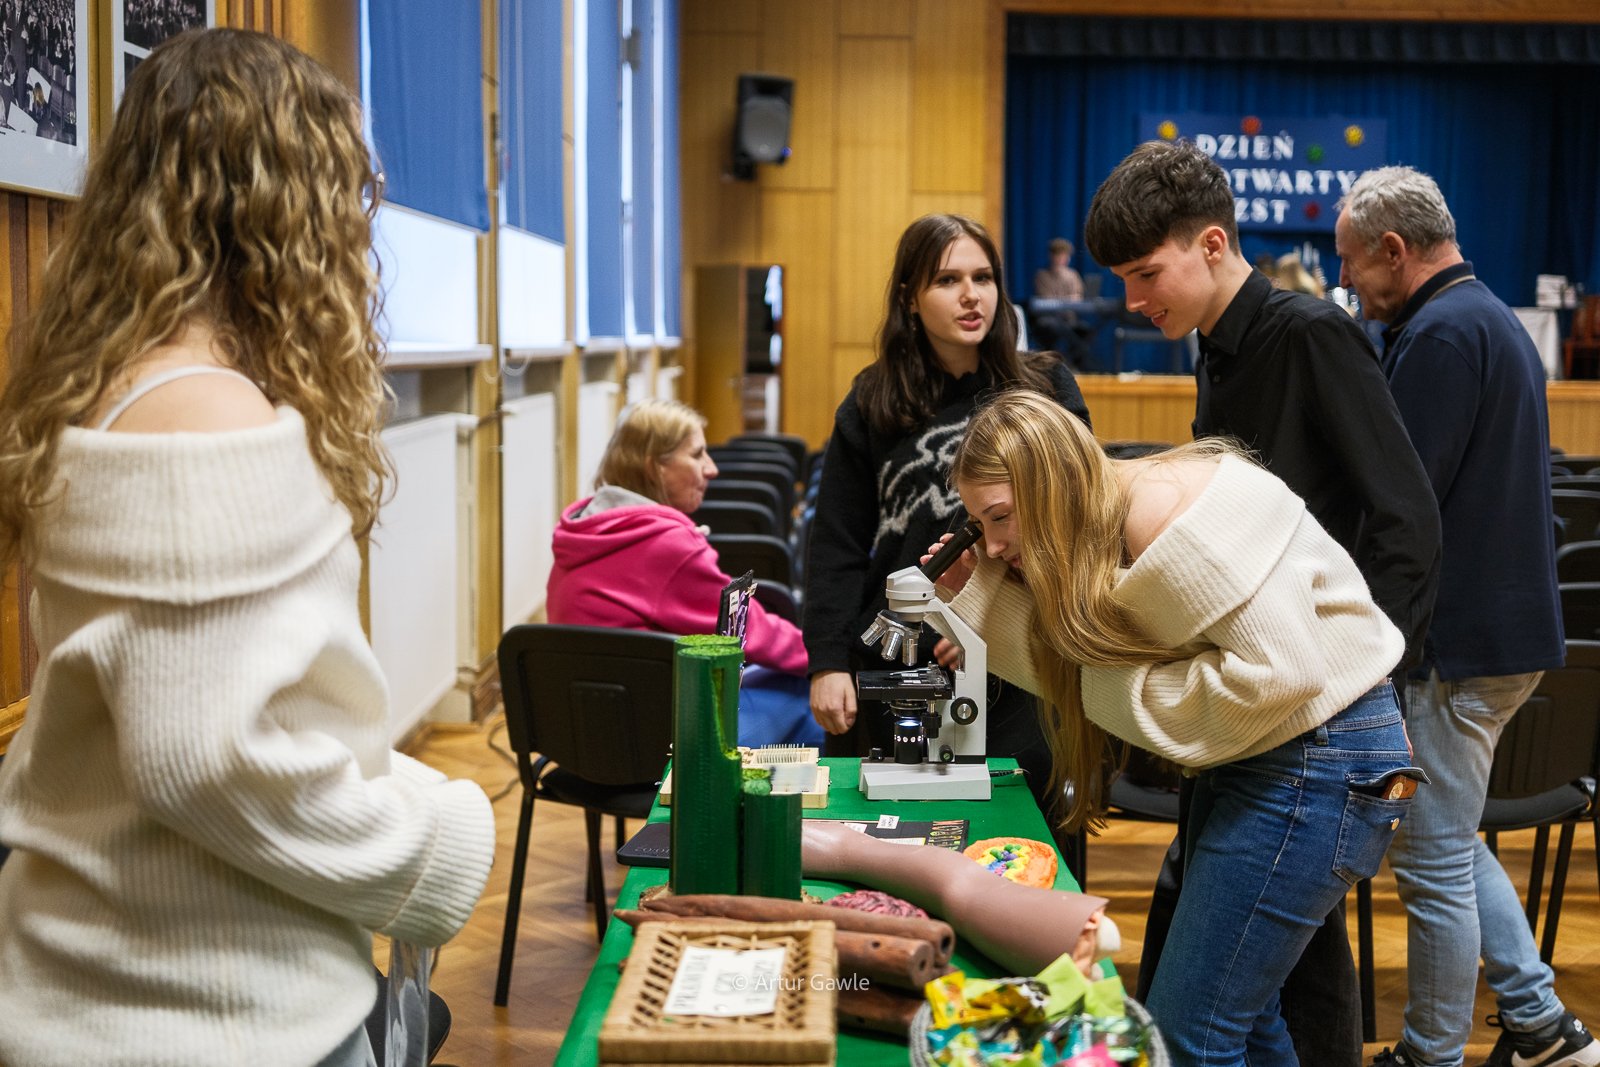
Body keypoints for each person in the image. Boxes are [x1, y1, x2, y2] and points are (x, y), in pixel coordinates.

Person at [0, 29, 496, 1067]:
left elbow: (205, 717)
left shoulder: (113, 388)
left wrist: (407, 790)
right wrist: (441, 845)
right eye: (352, 193)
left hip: (106, 990)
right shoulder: (208, 419)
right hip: (203, 1020)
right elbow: (209, 762)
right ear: (287, 205)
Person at [1082, 138, 1442, 1067]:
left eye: (1144, 272)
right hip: (1257, 703)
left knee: (1271, 983)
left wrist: (1358, 680)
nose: (1131, 298)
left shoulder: (1310, 333)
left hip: (1313, 711)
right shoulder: (1216, 346)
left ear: (1210, 244)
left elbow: (1406, 520)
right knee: (1264, 978)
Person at [933, 391, 1422, 1067]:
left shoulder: (1165, 518)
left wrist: (1004, 618)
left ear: (1051, 487)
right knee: (1244, 1021)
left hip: (1319, 758)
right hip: (1288, 756)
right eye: (978, 523)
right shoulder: (1120, 507)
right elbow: (1098, 663)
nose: (990, 543)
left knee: (1187, 1034)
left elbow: (1281, 677)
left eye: (1001, 517)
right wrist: (990, 601)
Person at [1336, 168, 1592, 1067]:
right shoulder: (1486, 316)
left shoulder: (1441, 334)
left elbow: (1400, 502)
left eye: (1353, 265)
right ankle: (1540, 1022)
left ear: (1395, 252)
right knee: (1446, 839)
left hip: (1459, 646)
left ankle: (1429, 1053)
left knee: (1432, 864)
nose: (1350, 285)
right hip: (1500, 638)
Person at [802, 213, 1091, 817]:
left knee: (1016, 837)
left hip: (1022, 660)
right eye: (947, 280)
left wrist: (992, 623)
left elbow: (1078, 527)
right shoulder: (872, 399)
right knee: (902, 833)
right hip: (897, 661)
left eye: (983, 277)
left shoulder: (1047, 387)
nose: (971, 295)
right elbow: (837, 543)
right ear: (910, 297)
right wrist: (827, 661)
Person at [548, 398, 822, 747]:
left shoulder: (584, 529)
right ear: (654, 468)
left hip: (580, 735)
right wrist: (830, 660)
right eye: (696, 455)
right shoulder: (665, 546)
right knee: (811, 689)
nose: (712, 469)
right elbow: (753, 631)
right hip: (658, 743)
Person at [1031, 236, 1090, 367]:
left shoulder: (1073, 275)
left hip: (1069, 319)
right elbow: (1045, 301)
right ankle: (1048, 365)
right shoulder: (1042, 275)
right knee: (1049, 328)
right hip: (1050, 319)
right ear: (1052, 256)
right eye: (1059, 255)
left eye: (1065, 255)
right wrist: (1067, 299)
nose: (1062, 259)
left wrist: (1068, 300)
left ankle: (1075, 365)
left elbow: (1078, 297)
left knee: (1084, 330)